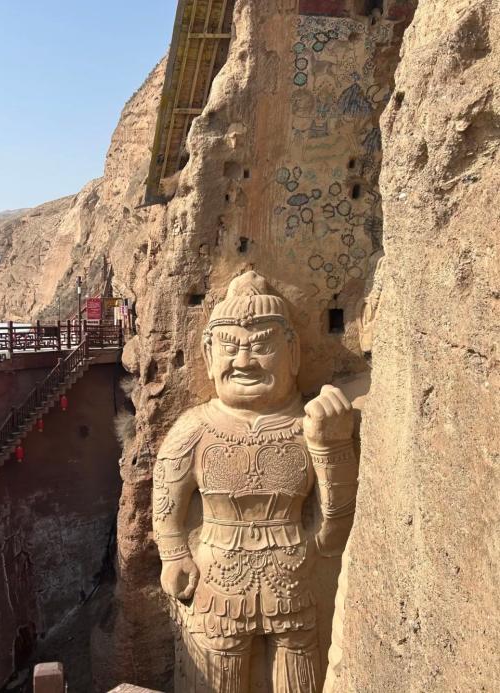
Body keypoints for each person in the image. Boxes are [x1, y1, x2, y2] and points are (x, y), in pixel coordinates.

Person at [153, 271, 358, 692]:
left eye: (262, 346)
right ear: (208, 356)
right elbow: (167, 502)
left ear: (293, 354)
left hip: (293, 579)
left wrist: (332, 446)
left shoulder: (307, 424)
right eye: (229, 348)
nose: (243, 361)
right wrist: (174, 556)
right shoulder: (195, 429)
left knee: (300, 681)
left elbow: (333, 533)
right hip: (217, 584)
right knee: (216, 678)